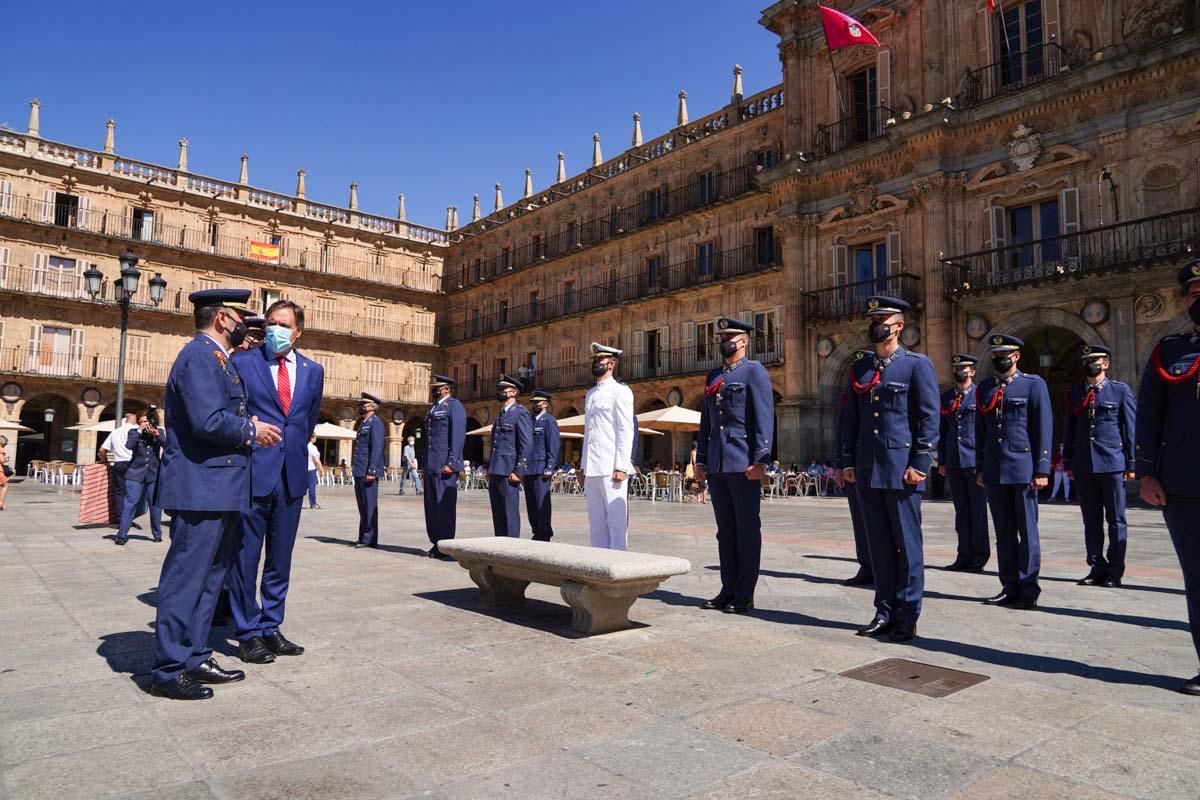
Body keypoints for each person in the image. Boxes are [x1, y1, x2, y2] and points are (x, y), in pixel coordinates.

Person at [151, 288, 281, 700]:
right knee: (187, 579)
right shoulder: (199, 357)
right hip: (200, 488)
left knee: (211, 581)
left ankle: (195, 655)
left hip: (220, 488)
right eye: (242, 314)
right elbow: (207, 420)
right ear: (224, 318)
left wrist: (246, 424)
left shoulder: (217, 359)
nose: (248, 321)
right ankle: (168, 668)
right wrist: (251, 430)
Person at [230, 299, 324, 663]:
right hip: (253, 473)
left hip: (291, 475)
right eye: (270, 322)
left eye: (283, 324)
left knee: (280, 558)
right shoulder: (242, 362)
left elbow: (306, 420)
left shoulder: (313, 371)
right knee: (245, 557)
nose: (275, 329)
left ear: (297, 331)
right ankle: (247, 632)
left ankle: (271, 625)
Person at [842, 297, 938, 642]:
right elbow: (849, 420)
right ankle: (884, 611)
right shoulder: (861, 369)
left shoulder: (916, 365)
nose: (876, 324)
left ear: (899, 325)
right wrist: (848, 462)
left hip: (902, 470)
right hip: (868, 469)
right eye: (873, 319)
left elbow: (928, 418)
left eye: (883, 318)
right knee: (879, 546)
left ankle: (907, 617)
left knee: (908, 546)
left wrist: (920, 464)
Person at [1136, 258, 1200, 695]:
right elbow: (1149, 417)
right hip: (1184, 483)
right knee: (1198, 579)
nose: (1198, 301)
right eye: (1193, 295)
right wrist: (1146, 474)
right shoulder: (1170, 351)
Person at [696, 317, 775, 614]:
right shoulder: (714, 375)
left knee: (746, 529)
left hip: (743, 463)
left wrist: (761, 459)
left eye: (730, 337)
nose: (724, 341)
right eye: (722, 337)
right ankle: (727, 588)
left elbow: (765, 417)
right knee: (725, 531)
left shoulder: (754, 372)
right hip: (717, 463)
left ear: (744, 341)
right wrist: (702, 459)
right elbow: (707, 422)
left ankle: (745, 593)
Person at [976, 334, 1052, 610]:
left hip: (1023, 469)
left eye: (1004, 354)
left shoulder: (1033, 385)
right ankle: (1009, 585)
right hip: (995, 470)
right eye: (995, 355)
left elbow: (1043, 428)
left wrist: (1042, 468)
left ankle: (1028, 587)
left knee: (1027, 532)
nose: (999, 359)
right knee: (1004, 532)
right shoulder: (984, 389)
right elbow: (980, 432)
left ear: (1016, 356)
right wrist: (981, 467)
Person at [1064, 344, 1136, 588]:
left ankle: (1115, 571)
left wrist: (1132, 463)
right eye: (1086, 361)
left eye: (1095, 360)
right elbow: (1070, 430)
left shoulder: (1119, 391)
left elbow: (1131, 429)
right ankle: (1096, 566)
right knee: (1091, 519)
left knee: (1116, 519)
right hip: (1084, 465)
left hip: (1112, 463)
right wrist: (1068, 461)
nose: (1090, 364)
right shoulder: (1075, 393)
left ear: (1106, 363)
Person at [581, 342, 635, 550]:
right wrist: (584, 466)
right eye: (594, 361)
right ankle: (599, 565)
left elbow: (625, 430)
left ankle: (618, 563)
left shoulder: (620, 391)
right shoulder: (591, 394)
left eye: (599, 360)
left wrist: (622, 466)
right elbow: (589, 433)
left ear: (611, 364)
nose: (595, 364)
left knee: (616, 521)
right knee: (596, 523)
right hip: (593, 466)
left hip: (611, 465)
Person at [938, 354, 990, 572]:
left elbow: (986, 431)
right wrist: (941, 460)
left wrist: (985, 462)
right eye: (956, 367)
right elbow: (943, 430)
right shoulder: (947, 397)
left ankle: (979, 556)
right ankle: (963, 554)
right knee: (961, 512)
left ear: (973, 372)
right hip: (954, 460)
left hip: (974, 460)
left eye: (964, 368)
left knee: (978, 511)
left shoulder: (981, 395)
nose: (959, 371)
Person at [833, 366, 873, 586]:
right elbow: (842, 432)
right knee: (860, 522)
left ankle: (884, 569)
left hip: (872, 465)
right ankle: (867, 566)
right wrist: (839, 464)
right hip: (852, 467)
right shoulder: (849, 396)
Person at [423, 375, 467, 557]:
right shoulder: (433, 409)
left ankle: (446, 543)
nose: (435, 390)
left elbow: (457, 437)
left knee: (444, 506)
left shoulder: (454, 406)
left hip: (444, 465)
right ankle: (436, 542)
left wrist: (451, 462)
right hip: (431, 464)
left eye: (438, 388)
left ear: (447, 389)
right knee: (431, 506)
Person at [487, 374, 532, 537]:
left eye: (502, 389)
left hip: (509, 472)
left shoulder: (520, 413)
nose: (499, 392)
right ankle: (500, 548)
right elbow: (495, 444)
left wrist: (519, 471)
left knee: (509, 513)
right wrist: (490, 468)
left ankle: (511, 547)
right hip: (496, 470)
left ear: (513, 392)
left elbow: (526, 444)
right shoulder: (500, 414)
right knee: (498, 513)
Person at [114, 410, 165, 545]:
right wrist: (139, 431)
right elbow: (129, 445)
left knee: (155, 505)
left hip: (153, 473)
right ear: (138, 423)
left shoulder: (159, 431)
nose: (145, 424)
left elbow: (168, 446)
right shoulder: (133, 432)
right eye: (142, 421)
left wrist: (157, 435)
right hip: (135, 472)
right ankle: (122, 535)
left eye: (147, 421)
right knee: (131, 502)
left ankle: (157, 534)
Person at [525, 390, 561, 541]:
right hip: (529, 468)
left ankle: (545, 532)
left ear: (545, 404)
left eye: (537, 403)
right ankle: (536, 530)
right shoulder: (531, 422)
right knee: (531, 502)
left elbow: (553, 444)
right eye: (533, 403)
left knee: (542, 503)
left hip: (541, 468)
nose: (534, 405)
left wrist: (550, 466)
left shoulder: (549, 421)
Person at [352, 392, 385, 548]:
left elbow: (377, 448)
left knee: (369, 505)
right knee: (363, 505)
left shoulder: (375, 423)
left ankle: (369, 538)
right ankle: (363, 537)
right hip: (360, 470)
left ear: (371, 406)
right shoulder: (364, 423)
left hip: (367, 471)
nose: (360, 407)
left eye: (363, 405)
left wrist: (372, 470)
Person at [98, 412, 138, 524]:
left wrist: (104, 460)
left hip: (119, 463)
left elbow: (102, 450)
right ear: (136, 421)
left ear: (125, 420)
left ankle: (120, 518)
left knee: (119, 491)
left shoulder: (115, 431)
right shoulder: (137, 430)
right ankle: (129, 517)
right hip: (133, 464)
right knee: (133, 491)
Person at [306, 434, 322, 509]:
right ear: (312, 438)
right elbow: (316, 460)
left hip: (304, 469)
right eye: (315, 437)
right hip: (311, 469)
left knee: (303, 486)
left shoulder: (305, 446)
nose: (316, 439)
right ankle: (313, 503)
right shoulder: (313, 447)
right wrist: (321, 469)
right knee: (312, 486)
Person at [0, 434, 12, 510]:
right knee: (5, 485)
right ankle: (0, 503)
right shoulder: (1, 449)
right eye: (5, 443)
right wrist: (6, 459)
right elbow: (1, 460)